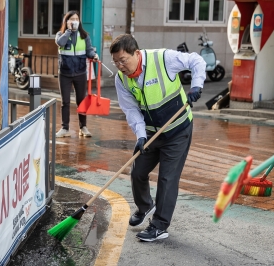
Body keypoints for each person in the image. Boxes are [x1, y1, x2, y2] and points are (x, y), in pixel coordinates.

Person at [109, 34, 206, 242]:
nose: (119, 65)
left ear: (136, 53)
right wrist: (141, 135)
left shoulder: (163, 59)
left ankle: (160, 225)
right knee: (137, 172)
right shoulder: (121, 79)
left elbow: (196, 60)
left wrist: (197, 85)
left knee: (167, 178)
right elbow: (131, 109)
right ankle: (145, 206)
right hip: (152, 133)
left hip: (177, 129)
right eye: (115, 61)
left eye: (123, 60)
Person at [55, 10, 99, 138]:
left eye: (76, 19)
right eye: (71, 19)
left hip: (80, 72)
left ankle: (83, 127)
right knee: (65, 102)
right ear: (66, 21)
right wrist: (68, 31)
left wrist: (94, 55)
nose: (74, 21)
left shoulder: (84, 35)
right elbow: (60, 43)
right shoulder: (60, 34)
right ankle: (65, 128)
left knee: (81, 101)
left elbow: (89, 50)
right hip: (65, 73)